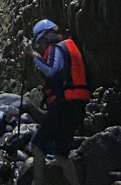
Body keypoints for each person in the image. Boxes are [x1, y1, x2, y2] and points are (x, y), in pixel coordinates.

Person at [24, 19, 91, 185]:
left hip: (64, 107)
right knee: (61, 153)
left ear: (45, 38)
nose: (39, 47)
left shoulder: (56, 49)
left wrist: (32, 56)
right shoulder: (66, 47)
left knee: (38, 145)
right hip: (76, 106)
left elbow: (51, 70)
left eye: (39, 42)